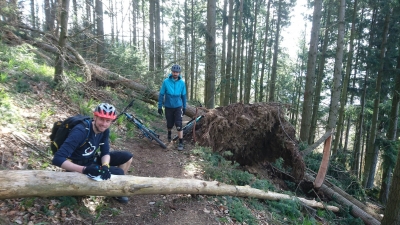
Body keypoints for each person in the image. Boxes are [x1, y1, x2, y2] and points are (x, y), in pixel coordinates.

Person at [52, 103, 133, 204]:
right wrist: (85, 170)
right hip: (77, 166)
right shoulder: (80, 131)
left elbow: (105, 151)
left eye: (108, 121)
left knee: (127, 157)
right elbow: (57, 159)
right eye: (101, 119)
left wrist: (105, 166)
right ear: (95, 117)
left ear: (111, 121)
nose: (104, 124)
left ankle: (116, 189)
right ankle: (112, 188)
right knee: (119, 173)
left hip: (91, 160)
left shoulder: (104, 130)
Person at [158, 64, 187, 151]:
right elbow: (161, 94)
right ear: (171, 72)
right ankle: (169, 133)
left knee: (179, 125)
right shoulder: (166, 82)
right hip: (168, 106)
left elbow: (184, 96)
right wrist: (159, 106)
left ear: (179, 73)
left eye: (177, 72)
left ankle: (181, 142)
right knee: (169, 124)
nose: (175, 73)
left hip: (178, 106)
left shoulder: (182, 83)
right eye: (174, 72)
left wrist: (184, 107)